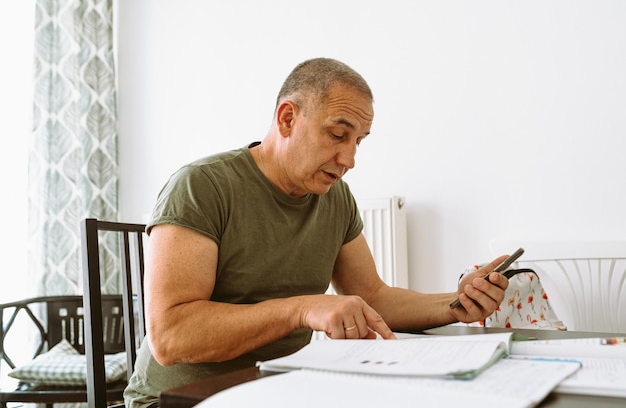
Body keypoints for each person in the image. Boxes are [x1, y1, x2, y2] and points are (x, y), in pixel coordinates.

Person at [124, 57, 509, 408]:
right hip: (176, 401)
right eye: (338, 135)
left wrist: (456, 303)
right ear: (287, 118)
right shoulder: (201, 186)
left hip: (278, 391)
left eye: (358, 141)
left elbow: (372, 296)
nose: (350, 159)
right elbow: (171, 336)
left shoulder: (336, 198)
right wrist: (304, 308)